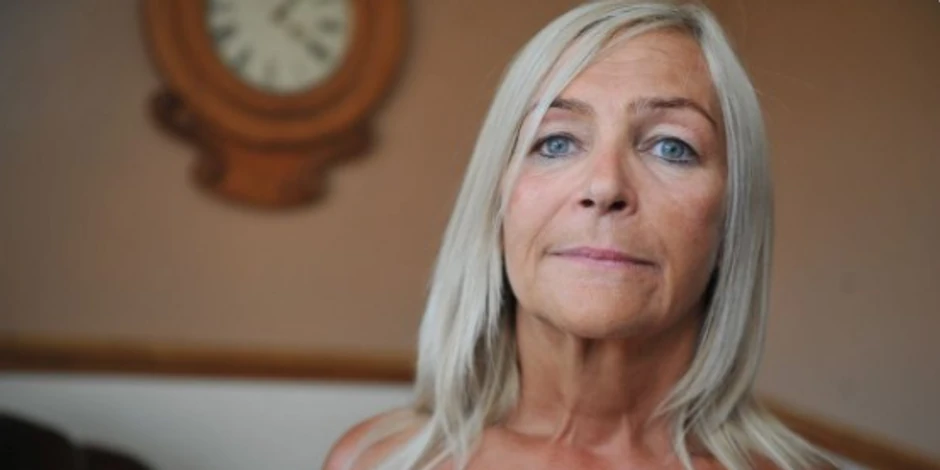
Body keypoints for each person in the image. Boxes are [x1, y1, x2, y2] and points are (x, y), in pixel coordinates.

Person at [327, 1, 835, 469]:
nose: (605, 185)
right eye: (556, 142)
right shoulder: (371, 462)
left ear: (731, 217)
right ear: (497, 206)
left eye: (672, 147)